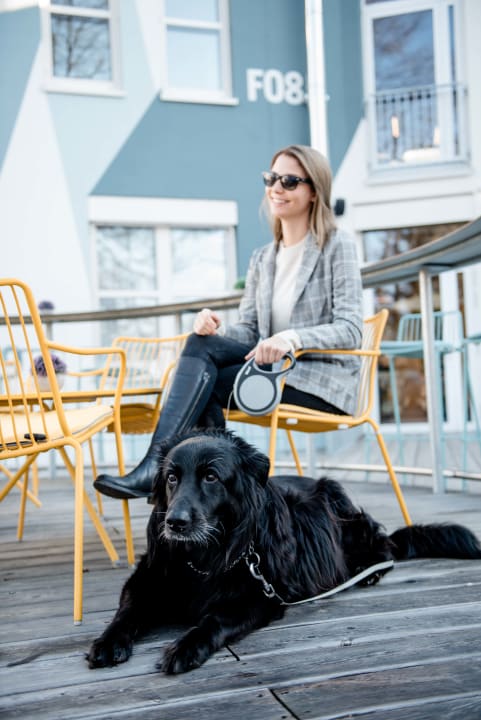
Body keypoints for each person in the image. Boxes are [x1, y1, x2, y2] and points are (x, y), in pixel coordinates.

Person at [94, 144, 363, 500]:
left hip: (319, 379)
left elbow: (351, 329)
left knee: (202, 383)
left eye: (289, 181)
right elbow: (250, 330)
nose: (276, 188)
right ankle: (211, 493)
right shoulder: (263, 258)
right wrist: (215, 329)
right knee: (202, 355)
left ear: (314, 191)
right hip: (272, 369)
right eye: (271, 178)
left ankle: (162, 476)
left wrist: (290, 338)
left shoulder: (337, 245)